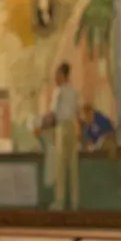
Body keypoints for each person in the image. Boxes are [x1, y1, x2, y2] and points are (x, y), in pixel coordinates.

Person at [35, 63, 80, 210]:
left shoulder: (58, 92)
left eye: (58, 74)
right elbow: (76, 112)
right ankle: (74, 202)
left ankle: (60, 201)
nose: (56, 78)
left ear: (64, 75)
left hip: (61, 128)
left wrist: (39, 123)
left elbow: (53, 114)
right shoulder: (74, 92)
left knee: (60, 166)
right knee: (73, 165)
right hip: (72, 128)